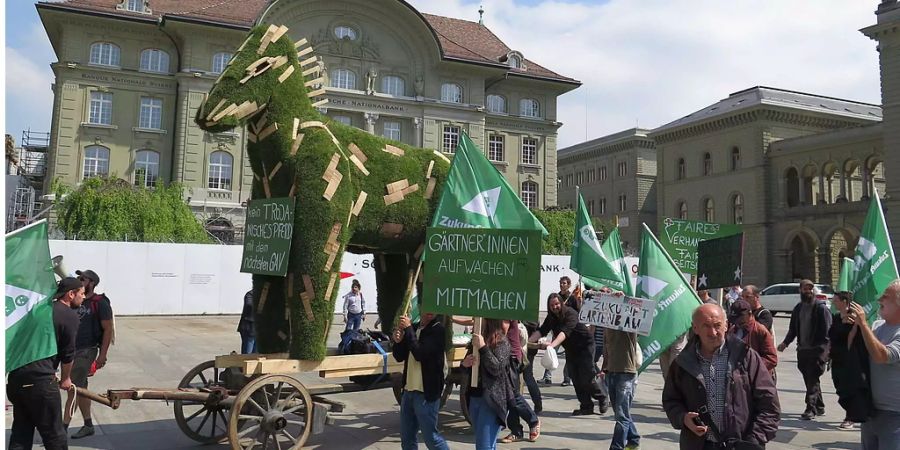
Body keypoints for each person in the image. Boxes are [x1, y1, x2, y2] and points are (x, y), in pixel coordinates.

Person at [663, 304, 780, 450]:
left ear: (726, 325)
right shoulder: (683, 363)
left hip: (742, 444)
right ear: (695, 328)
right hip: (699, 445)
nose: (713, 332)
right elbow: (671, 400)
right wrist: (683, 418)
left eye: (717, 325)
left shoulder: (745, 356)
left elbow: (769, 404)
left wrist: (753, 441)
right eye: (706, 326)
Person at [8, 277, 82, 450]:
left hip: (16, 379)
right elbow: (68, 354)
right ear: (71, 294)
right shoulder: (69, 315)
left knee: (21, 433)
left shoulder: (36, 310)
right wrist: (65, 379)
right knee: (55, 436)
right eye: (82, 293)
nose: (83, 297)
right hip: (40, 384)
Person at [847, 279, 900, 449]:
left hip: (894, 415)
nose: (879, 300)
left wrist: (863, 324)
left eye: (886, 297)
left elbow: (882, 356)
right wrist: (854, 328)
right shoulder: (877, 326)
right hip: (870, 411)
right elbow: (851, 351)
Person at [529, 293, 597, 415]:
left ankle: (601, 396)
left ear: (561, 303)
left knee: (587, 374)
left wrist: (552, 345)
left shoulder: (570, 313)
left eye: (556, 304)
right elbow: (542, 331)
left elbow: (564, 333)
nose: (554, 307)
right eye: (551, 305)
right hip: (571, 348)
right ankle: (586, 406)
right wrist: (527, 342)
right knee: (575, 377)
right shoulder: (551, 317)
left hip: (585, 346)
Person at [65, 269, 113, 439]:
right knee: (81, 388)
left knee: (74, 388)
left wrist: (102, 355)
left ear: (91, 283)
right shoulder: (76, 299)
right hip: (73, 349)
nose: (79, 280)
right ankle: (88, 425)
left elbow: (108, 329)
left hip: (88, 349)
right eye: (78, 277)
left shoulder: (100, 303)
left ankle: (62, 428)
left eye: (82, 278)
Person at [392, 306, 449, 450]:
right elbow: (399, 356)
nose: (430, 309)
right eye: (427, 305)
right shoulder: (415, 328)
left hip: (426, 393)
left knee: (431, 439)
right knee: (407, 439)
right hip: (408, 390)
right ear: (420, 307)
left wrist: (409, 330)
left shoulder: (438, 330)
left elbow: (420, 354)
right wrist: (398, 342)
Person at [777, 279, 832, 420]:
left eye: (810, 288)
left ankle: (810, 408)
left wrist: (826, 352)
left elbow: (828, 333)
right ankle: (820, 406)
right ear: (800, 290)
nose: (808, 291)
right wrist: (785, 343)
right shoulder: (798, 308)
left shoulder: (821, 308)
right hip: (803, 350)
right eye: (805, 288)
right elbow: (793, 329)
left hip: (817, 350)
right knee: (810, 379)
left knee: (812, 378)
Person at [462, 319, 516, 450]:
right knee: (487, 445)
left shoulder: (502, 342)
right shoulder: (475, 340)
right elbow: (467, 366)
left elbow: (496, 368)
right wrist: (464, 364)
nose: (475, 322)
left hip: (492, 400)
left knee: (483, 446)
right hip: (474, 396)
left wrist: (483, 348)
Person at [828, 291, 871, 430]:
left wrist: (854, 326)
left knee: (849, 388)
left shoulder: (854, 318)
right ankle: (851, 414)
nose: (834, 302)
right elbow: (831, 336)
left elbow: (855, 339)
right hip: (836, 358)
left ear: (844, 301)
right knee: (839, 387)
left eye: (836, 300)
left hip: (849, 359)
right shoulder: (835, 317)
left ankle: (850, 417)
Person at [601, 310, 642, 450]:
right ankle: (634, 438)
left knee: (621, 414)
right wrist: (604, 368)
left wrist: (624, 303)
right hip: (611, 371)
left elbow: (638, 316)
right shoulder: (607, 323)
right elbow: (607, 347)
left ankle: (616, 447)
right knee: (620, 412)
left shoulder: (628, 323)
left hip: (626, 373)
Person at [500, 319, 541, 443]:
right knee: (509, 395)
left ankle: (533, 420)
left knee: (512, 393)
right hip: (505, 355)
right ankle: (516, 431)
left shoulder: (504, 307)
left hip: (511, 356)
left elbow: (503, 328)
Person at [728, 300, 778, 376]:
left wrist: (750, 367)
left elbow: (771, 359)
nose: (737, 322)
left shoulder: (760, 331)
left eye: (740, 318)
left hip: (757, 378)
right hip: (737, 378)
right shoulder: (733, 329)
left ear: (750, 314)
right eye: (735, 319)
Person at [553, 276, 581, 386]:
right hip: (557, 330)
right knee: (551, 351)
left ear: (569, 285)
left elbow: (578, 312)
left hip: (568, 331)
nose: (562, 285)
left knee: (569, 355)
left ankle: (567, 378)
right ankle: (547, 376)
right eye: (561, 283)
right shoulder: (557, 297)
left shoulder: (572, 298)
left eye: (564, 283)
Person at [238, 289, 257, 354]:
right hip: (249, 329)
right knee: (247, 354)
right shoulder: (250, 295)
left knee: (256, 355)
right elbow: (249, 305)